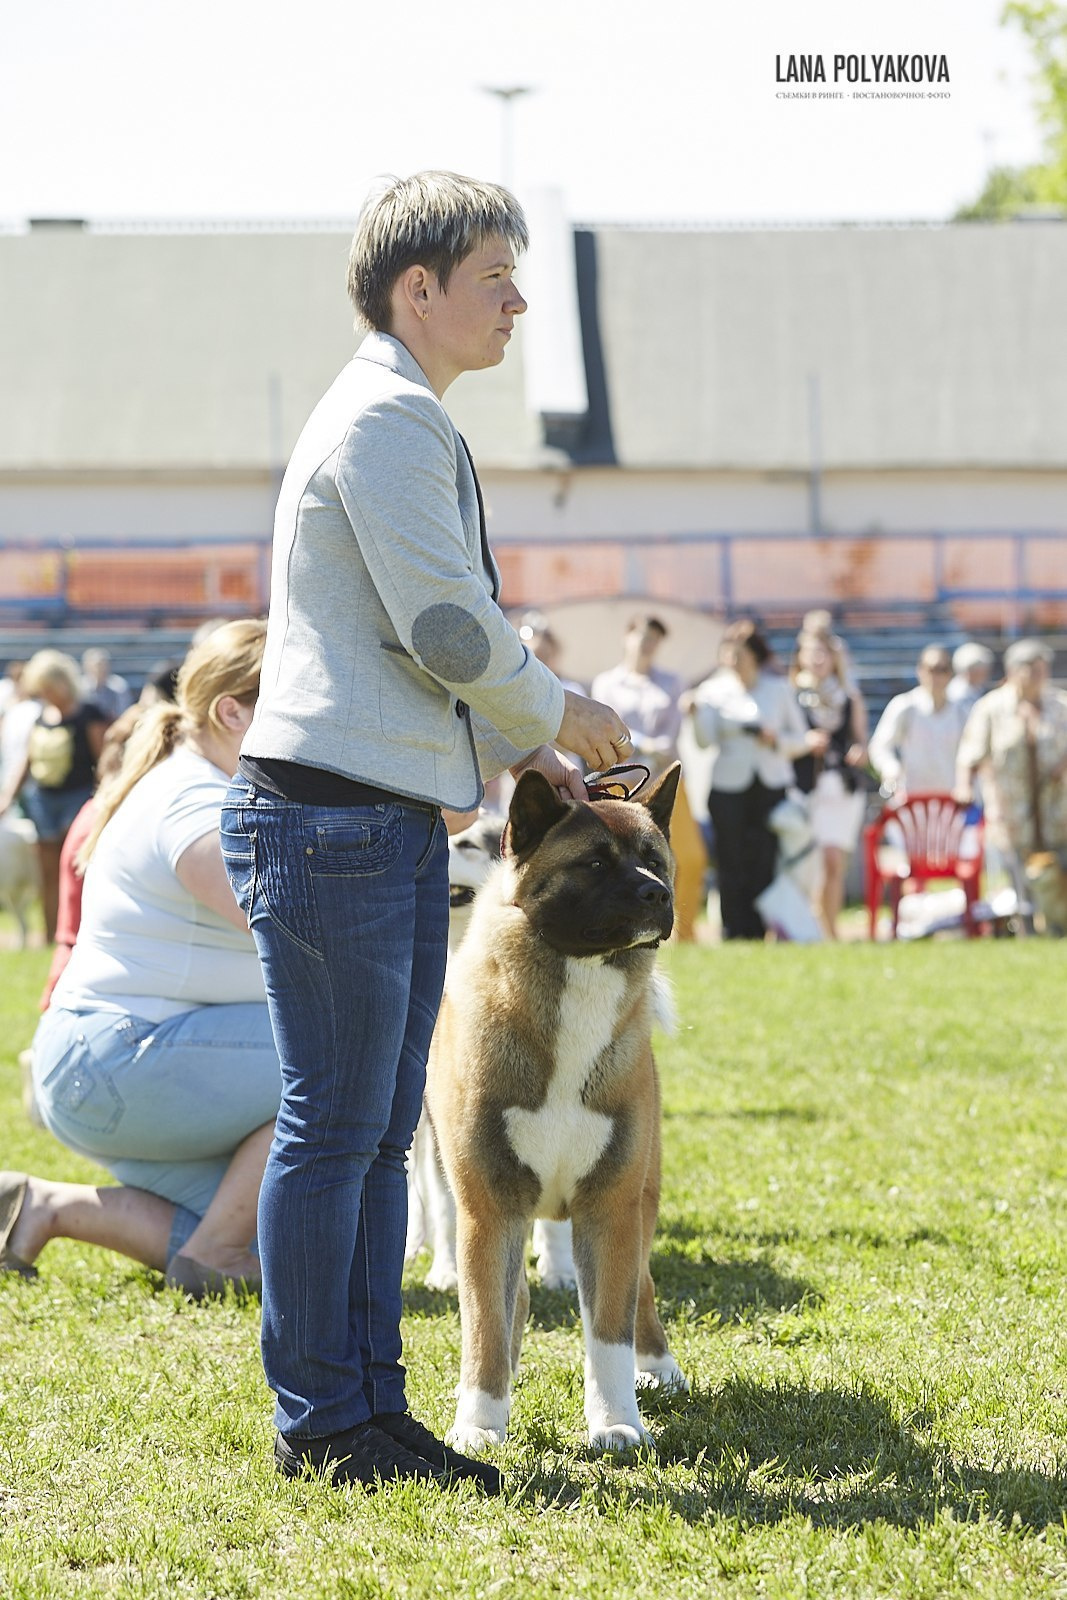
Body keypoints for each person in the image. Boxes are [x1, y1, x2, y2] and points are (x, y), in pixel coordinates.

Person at [221, 171, 630, 1495]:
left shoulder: (395, 414)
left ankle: (365, 1407)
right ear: (419, 289)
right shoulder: (389, 420)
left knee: (367, 1121)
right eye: (494, 274)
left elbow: (430, 638)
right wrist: (560, 713)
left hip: (368, 813)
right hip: (332, 817)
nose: (515, 298)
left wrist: (531, 753)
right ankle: (323, 1417)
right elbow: (446, 629)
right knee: (337, 1128)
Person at [0, 620, 281, 1297]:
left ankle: (45, 1207)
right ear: (232, 712)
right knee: (359, 1053)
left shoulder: (192, 776)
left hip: (104, 1068)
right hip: (119, 1061)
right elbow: (288, 921)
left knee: (310, 1248)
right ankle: (215, 1247)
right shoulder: (195, 796)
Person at [681, 619, 826, 940]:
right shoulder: (712, 691)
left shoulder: (778, 690)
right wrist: (694, 715)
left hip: (770, 784)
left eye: (741, 656)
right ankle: (734, 928)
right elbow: (705, 741)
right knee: (730, 858)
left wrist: (775, 740)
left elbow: (802, 739)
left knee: (765, 857)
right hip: (728, 787)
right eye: (730, 656)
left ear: (755, 656)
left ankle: (765, 926)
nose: (736, 663)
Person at [592, 614, 709, 941]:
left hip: (663, 783)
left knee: (690, 856)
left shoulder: (672, 682)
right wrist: (643, 745)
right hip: (619, 783)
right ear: (627, 637)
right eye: (642, 635)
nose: (647, 643)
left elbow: (670, 739)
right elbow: (609, 730)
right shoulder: (607, 683)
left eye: (655, 637)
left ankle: (683, 933)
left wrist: (639, 745)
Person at [0, 650, 111, 942]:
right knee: (46, 874)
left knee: (76, 868)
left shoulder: (89, 712)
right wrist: (7, 797)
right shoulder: (41, 716)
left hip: (78, 798)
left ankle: (79, 932)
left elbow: (103, 760)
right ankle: (51, 934)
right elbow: (27, 760)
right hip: (43, 801)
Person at [955, 638, 1067, 882]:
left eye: (1042, 670)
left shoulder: (1060, 705)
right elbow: (969, 753)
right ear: (1015, 671)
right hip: (1011, 813)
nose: (1039, 676)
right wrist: (964, 786)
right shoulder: (991, 708)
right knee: (1016, 885)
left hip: (1057, 813)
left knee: (1058, 887)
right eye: (1032, 670)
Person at [790, 628, 871, 939]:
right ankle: (810, 926)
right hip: (807, 790)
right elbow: (784, 740)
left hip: (842, 791)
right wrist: (806, 743)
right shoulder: (792, 694)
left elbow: (862, 742)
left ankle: (831, 928)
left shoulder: (849, 697)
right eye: (812, 652)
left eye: (823, 652)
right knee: (814, 862)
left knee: (835, 861)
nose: (818, 659)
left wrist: (859, 751)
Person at [868, 645, 968, 799]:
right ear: (920, 671)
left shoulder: (961, 712)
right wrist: (891, 770)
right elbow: (880, 746)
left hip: (950, 802)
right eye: (930, 669)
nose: (935, 676)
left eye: (942, 669)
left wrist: (965, 786)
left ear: (950, 674)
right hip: (911, 799)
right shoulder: (905, 705)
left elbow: (971, 755)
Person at [81, 647, 133, 721]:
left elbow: (124, 714)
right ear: (86, 666)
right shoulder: (80, 688)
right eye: (97, 665)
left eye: (104, 665)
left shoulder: (119, 686)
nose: (101, 669)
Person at [948, 642, 995, 715]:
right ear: (971, 671)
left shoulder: (976, 687)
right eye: (983, 668)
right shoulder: (958, 694)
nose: (987, 672)